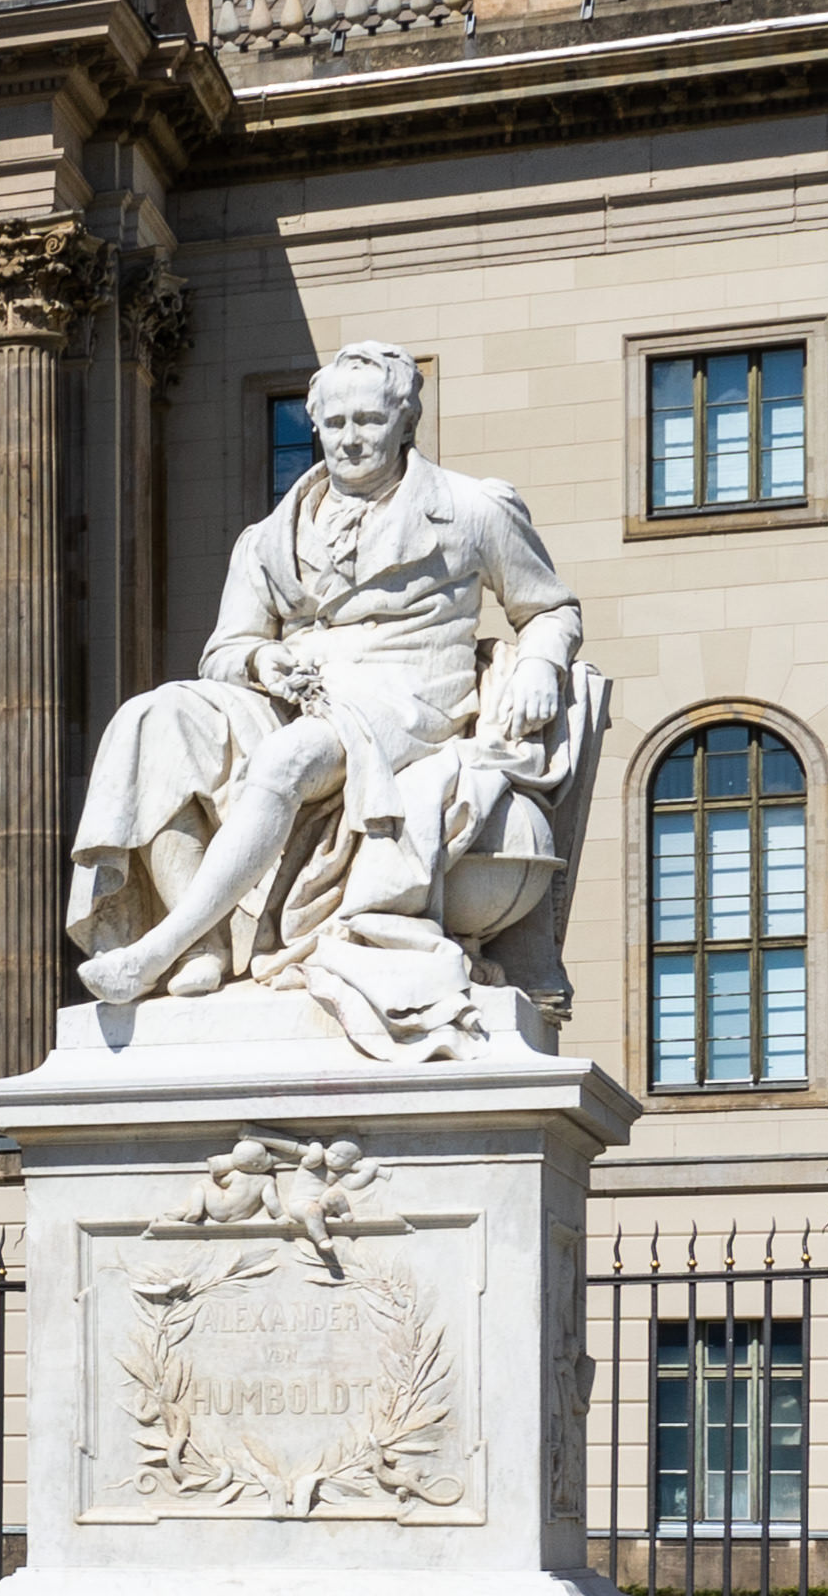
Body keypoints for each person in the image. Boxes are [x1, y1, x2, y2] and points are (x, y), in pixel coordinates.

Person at [64, 341, 606, 1058]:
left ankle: (160, 946)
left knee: (291, 757)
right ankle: (204, 949)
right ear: (315, 425)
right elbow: (224, 651)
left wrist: (539, 661)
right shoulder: (269, 537)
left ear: (405, 422)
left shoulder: (473, 509)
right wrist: (263, 658)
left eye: (370, 421)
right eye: (337, 422)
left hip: (407, 696)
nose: (352, 438)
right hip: (294, 692)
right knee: (152, 720)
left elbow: (549, 609)